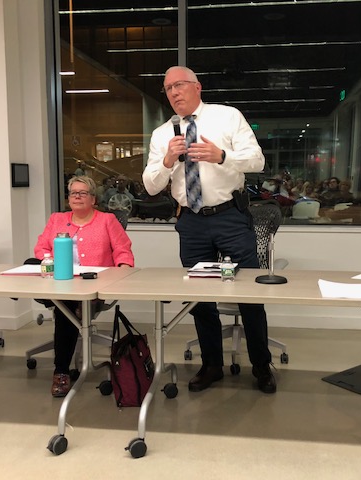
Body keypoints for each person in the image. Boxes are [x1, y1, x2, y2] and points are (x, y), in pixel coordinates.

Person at [143, 65, 276, 394]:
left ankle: (261, 365)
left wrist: (222, 156)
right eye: (168, 88)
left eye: (179, 85)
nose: (174, 93)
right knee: (200, 299)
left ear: (197, 87)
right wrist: (166, 162)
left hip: (230, 216)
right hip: (190, 221)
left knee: (249, 295)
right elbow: (149, 186)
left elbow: (257, 161)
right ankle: (212, 365)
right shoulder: (163, 134)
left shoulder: (227, 117)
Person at [34, 176, 134, 397]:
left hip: (93, 285)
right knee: (58, 295)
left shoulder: (107, 220)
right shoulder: (57, 219)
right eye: (73, 193)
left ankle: (61, 372)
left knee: (65, 308)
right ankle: (69, 311)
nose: (77, 196)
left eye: (83, 193)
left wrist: (124, 267)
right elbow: (41, 248)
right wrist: (48, 259)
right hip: (59, 281)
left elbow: (122, 249)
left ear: (93, 199)